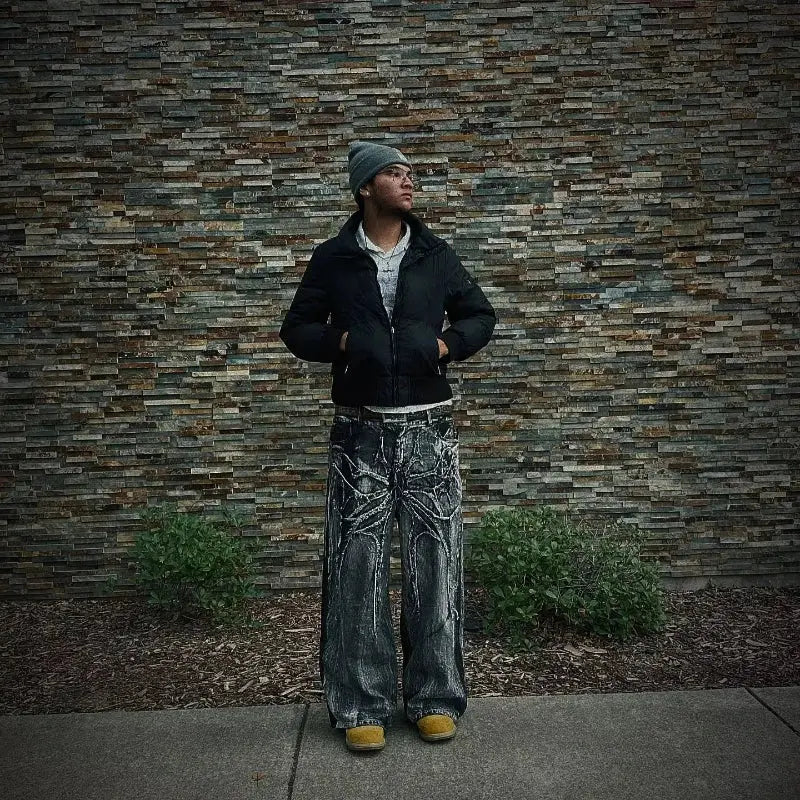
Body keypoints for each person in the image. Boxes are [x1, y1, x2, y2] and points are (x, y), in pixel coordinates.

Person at [279, 140, 496, 752]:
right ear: (365, 187)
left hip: (429, 427)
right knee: (357, 569)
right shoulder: (334, 258)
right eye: (395, 173)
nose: (408, 181)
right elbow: (297, 328)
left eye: (409, 173)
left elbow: (480, 315)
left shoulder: (434, 253)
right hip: (360, 432)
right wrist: (345, 343)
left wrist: (445, 346)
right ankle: (361, 704)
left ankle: (434, 699)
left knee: (436, 564)